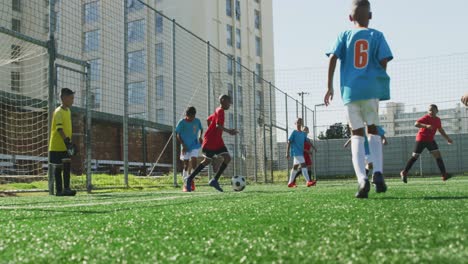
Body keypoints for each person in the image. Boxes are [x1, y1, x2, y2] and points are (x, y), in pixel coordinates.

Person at [324, 0, 393, 198]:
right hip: (371, 90)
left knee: (356, 133)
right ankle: (378, 172)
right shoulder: (377, 35)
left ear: (350, 17)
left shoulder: (344, 35)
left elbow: (332, 58)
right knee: (373, 129)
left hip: (350, 91)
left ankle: (362, 179)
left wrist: (329, 86)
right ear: (370, 16)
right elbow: (384, 60)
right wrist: (376, 80)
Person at [184, 95, 238, 192]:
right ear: (222, 100)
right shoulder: (220, 111)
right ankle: (189, 179)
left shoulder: (217, 111)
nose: (230, 104)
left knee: (227, 158)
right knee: (207, 161)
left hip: (217, 141)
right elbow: (218, 125)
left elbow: (208, 119)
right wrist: (229, 131)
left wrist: (212, 130)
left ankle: (214, 180)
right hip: (211, 141)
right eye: (229, 102)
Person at [400, 104, 453, 183]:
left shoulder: (438, 120)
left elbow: (440, 129)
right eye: (429, 110)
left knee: (438, 155)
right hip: (421, 139)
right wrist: (426, 126)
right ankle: (404, 172)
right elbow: (416, 124)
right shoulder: (426, 117)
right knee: (415, 156)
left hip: (430, 140)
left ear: (437, 111)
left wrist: (447, 138)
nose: (431, 111)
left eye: (432, 110)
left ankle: (444, 175)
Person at [49, 88, 77, 196]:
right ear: (64, 98)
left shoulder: (68, 111)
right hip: (57, 145)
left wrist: (68, 142)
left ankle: (67, 188)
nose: (72, 100)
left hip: (65, 145)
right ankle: (59, 190)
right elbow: (59, 129)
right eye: (71, 98)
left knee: (67, 166)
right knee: (58, 167)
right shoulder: (58, 112)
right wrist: (67, 141)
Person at [176, 106, 203, 191]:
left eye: (193, 116)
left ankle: (191, 180)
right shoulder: (182, 122)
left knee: (194, 160)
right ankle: (185, 183)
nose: (192, 118)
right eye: (190, 116)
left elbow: (201, 129)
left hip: (194, 145)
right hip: (185, 146)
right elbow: (178, 134)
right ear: (186, 115)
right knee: (186, 164)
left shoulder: (197, 121)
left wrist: (200, 136)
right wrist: (183, 145)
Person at [287, 118, 315, 188]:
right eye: (298, 122)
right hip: (296, 152)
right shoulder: (294, 132)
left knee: (295, 167)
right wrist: (287, 152)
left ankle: (290, 183)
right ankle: (308, 181)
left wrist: (314, 147)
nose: (299, 123)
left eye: (300, 122)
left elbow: (307, 141)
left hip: (300, 153)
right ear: (295, 123)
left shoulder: (303, 134)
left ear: (302, 124)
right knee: (304, 165)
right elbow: (289, 142)